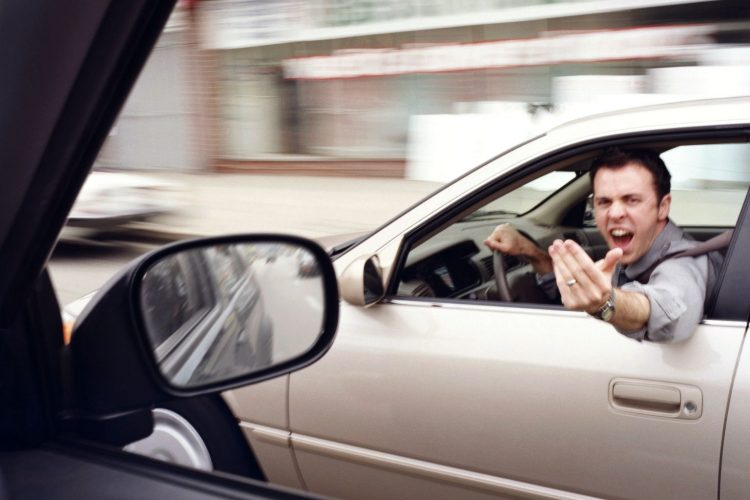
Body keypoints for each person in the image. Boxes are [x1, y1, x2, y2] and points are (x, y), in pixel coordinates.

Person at [484, 147, 722, 343]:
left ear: (662, 207)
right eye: (604, 202)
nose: (616, 213)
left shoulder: (685, 262)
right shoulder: (632, 251)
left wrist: (607, 303)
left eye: (632, 200)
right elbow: (581, 289)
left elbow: (668, 311)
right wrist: (530, 252)